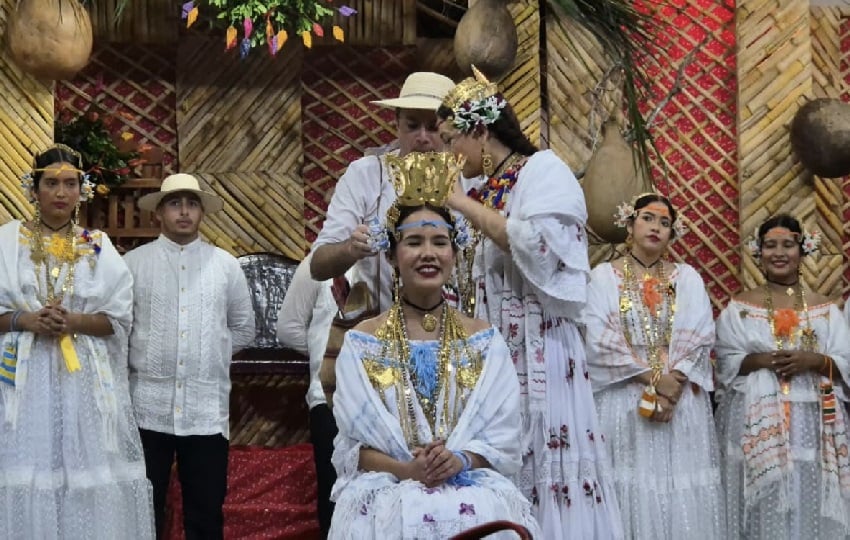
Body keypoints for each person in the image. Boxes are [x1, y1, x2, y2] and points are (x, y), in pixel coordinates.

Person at [438, 67, 622, 539]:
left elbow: (541, 247)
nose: (447, 154)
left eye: (449, 139)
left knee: (550, 465)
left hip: (543, 348)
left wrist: (460, 204)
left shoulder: (544, 171)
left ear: (480, 131)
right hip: (495, 352)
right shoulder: (483, 190)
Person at [328, 152, 540, 539]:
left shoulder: (485, 342)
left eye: (440, 242)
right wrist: (408, 470)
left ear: (454, 254)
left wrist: (461, 459)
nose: (428, 253)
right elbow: (352, 445)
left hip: (469, 485)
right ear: (391, 255)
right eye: (414, 242)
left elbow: (505, 437)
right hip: (389, 487)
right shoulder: (362, 343)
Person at [0, 144, 154, 538]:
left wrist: (75, 320)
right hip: (23, 381)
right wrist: (25, 319)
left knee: (84, 474)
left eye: (70, 183)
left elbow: (119, 321)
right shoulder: (6, 241)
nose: (61, 192)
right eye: (51, 183)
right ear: (33, 189)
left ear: (82, 190)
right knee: (27, 468)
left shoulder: (97, 244)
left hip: (82, 383)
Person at [583, 193, 724, 539]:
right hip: (625, 397)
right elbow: (597, 336)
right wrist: (653, 378)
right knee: (629, 485)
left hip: (680, 401)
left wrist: (672, 384)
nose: (656, 228)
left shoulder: (687, 278)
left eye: (665, 223)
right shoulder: (602, 277)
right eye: (648, 218)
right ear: (629, 225)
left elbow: (701, 335)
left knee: (681, 492)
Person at [125, 173, 255, 540]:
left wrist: (207, 357)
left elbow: (243, 328)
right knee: (142, 511)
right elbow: (122, 333)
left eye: (192, 203)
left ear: (202, 213)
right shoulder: (133, 265)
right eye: (174, 203)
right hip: (146, 409)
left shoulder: (226, 266)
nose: (184, 212)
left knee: (206, 514)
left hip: (205, 411)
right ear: (160, 213)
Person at [715, 214, 850, 539]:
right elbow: (725, 362)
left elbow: (845, 364)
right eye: (770, 245)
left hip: (811, 424)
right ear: (758, 253)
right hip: (754, 419)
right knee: (763, 496)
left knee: (808, 488)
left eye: (788, 245)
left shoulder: (825, 309)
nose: (779, 252)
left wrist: (814, 360)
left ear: (802, 251)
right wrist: (760, 360)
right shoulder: (739, 307)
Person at [310, 71, 455, 311]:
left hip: (457, 332)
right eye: (412, 125)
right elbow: (317, 266)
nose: (422, 137)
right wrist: (350, 249)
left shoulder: (469, 180)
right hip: (381, 330)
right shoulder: (366, 175)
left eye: (433, 127)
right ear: (397, 124)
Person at [276, 251, 339, 539]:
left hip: (392, 400)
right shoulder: (318, 261)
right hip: (328, 399)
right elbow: (288, 329)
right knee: (334, 494)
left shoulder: (397, 257)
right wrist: (326, 354)